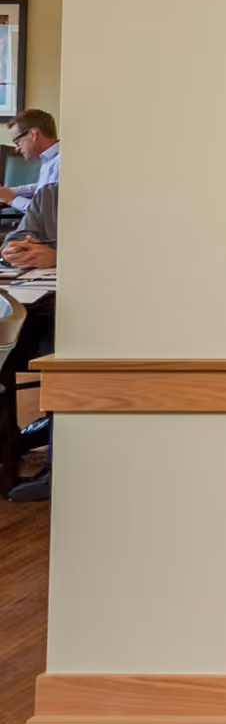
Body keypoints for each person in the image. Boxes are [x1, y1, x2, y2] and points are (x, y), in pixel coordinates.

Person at [0, 175, 54, 501]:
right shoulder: (49, 194)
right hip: (34, 305)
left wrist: (58, 254)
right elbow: (17, 239)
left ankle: (57, 464)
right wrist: (13, 249)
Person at [1, 108, 58, 206]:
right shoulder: (49, 159)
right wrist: (11, 191)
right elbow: (41, 188)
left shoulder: (59, 163)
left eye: (17, 142)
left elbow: (44, 211)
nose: (17, 149)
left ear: (34, 134)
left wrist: (12, 199)